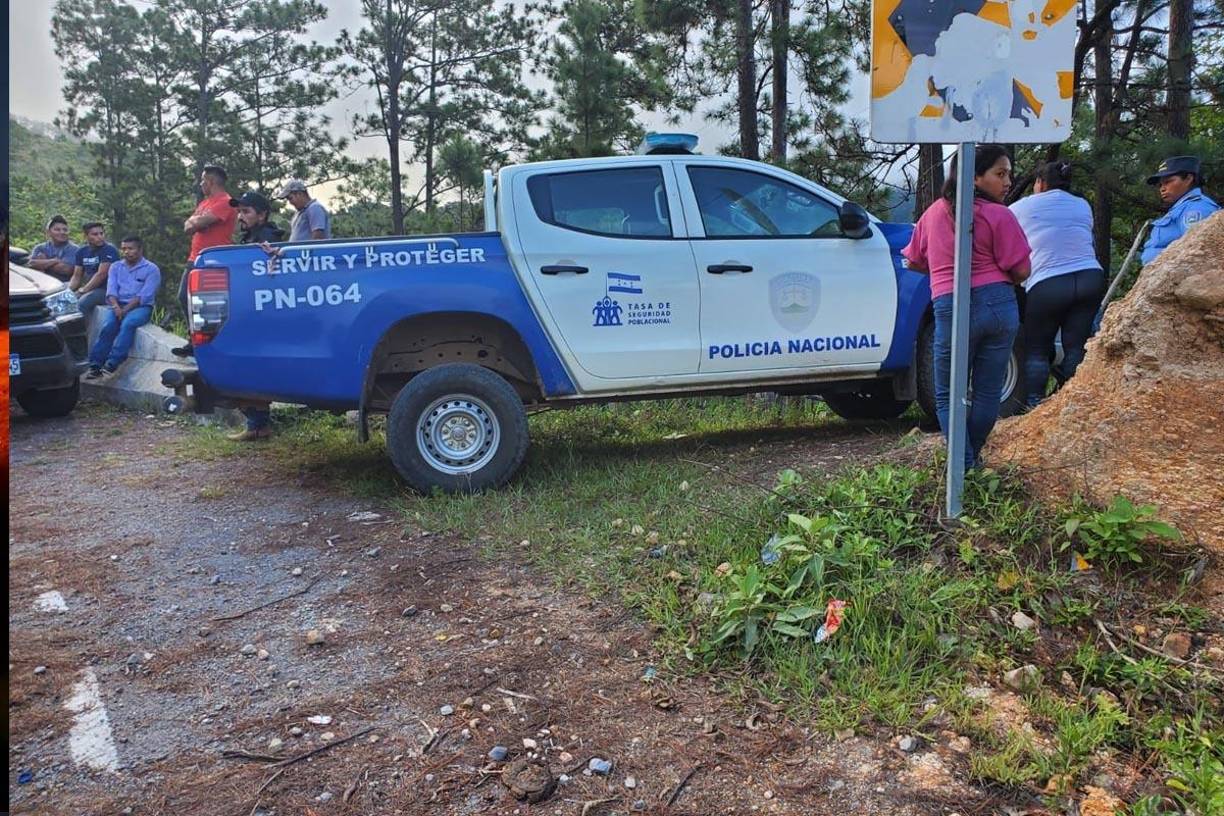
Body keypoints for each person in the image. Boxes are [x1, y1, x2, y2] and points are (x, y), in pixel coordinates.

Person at [902, 144, 1031, 472]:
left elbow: (913, 261)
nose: (1007, 182)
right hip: (999, 305)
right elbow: (1022, 271)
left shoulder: (932, 214)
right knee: (989, 390)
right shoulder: (1000, 215)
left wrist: (943, 270)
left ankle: (964, 466)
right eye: (1000, 174)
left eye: (1008, 174)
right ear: (974, 177)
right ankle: (971, 461)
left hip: (950, 303)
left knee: (948, 393)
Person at [1009, 161, 1104, 408]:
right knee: (1076, 345)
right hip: (1090, 277)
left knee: (1038, 348)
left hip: (1048, 282)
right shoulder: (1082, 205)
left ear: (1040, 183)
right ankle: (1071, 403)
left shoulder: (1021, 206)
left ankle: (1034, 405)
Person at [226, 190, 286, 441]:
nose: (241, 216)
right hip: (252, 311)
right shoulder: (250, 237)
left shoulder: (267, 238)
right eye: (239, 211)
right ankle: (257, 425)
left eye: (246, 211)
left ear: (262, 214)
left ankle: (258, 424)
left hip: (263, 314)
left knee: (251, 366)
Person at [174, 164, 238, 357]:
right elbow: (188, 226)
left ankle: (206, 342)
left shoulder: (225, 202)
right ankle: (193, 339)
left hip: (212, 260)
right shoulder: (204, 203)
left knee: (207, 303)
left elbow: (198, 222)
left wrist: (197, 222)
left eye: (202, 180)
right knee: (183, 297)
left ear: (210, 182)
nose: (200, 184)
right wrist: (195, 222)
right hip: (194, 257)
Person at [85, 236, 161, 378]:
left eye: (130, 248)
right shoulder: (116, 267)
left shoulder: (151, 269)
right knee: (108, 326)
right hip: (117, 305)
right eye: (124, 249)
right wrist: (116, 307)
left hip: (140, 307)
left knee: (128, 324)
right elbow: (111, 290)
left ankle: (113, 362)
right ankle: (95, 365)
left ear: (140, 250)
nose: (127, 252)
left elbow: (144, 295)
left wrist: (125, 311)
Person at [1140, 156, 1220, 264]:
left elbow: (1195, 251)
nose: (1162, 188)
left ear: (1188, 179)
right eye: (1160, 184)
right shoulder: (1181, 207)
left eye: (1168, 182)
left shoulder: (1197, 207)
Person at [68, 222, 121, 318]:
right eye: (95, 234)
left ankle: (80, 332)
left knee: (83, 302)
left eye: (101, 233)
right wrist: (68, 291)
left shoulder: (109, 250)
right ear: (86, 236)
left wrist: (83, 291)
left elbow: (101, 275)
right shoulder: (81, 252)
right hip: (91, 288)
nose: (100, 237)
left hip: (106, 290)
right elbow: (76, 276)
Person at [27, 216, 80, 280]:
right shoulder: (40, 247)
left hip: (64, 284)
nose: (62, 232)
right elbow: (31, 264)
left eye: (65, 230)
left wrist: (42, 264)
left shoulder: (74, 249)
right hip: (41, 282)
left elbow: (66, 270)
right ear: (48, 232)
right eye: (57, 230)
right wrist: (55, 260)